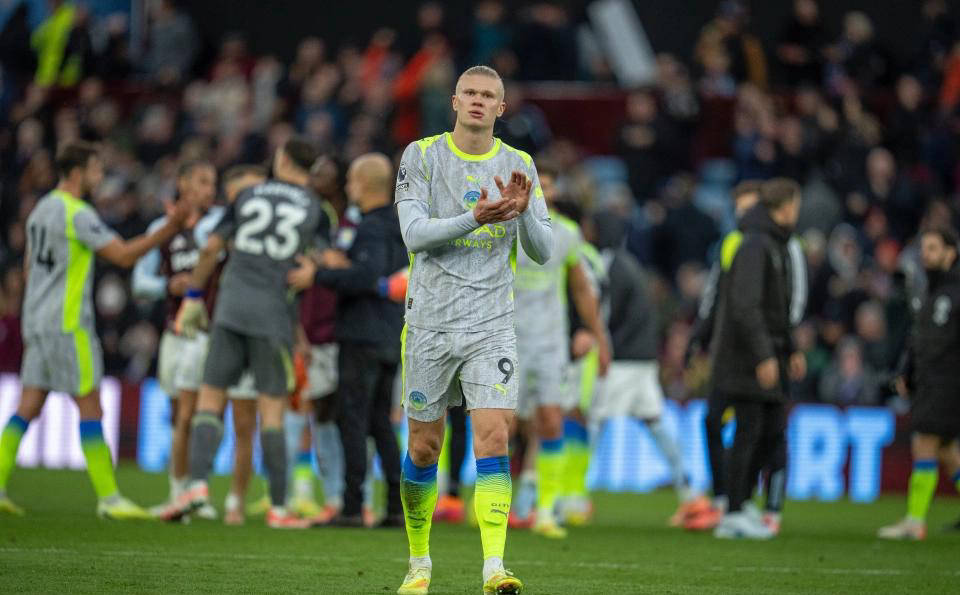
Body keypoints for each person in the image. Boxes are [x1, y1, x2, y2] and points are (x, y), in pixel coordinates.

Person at [393, 65, 552, 595]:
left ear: (501, 108)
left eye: (489, 95)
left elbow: (543, 251)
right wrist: (475, 218)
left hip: (491, 325)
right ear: (455, 101)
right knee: (424, 447)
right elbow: (414, 235)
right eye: (470, 93)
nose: (479, 101)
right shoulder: (421, 156)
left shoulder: (520, 164)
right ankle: (419, 563)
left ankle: (494, 567)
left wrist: (523, 214)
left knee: (494, 434)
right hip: (429, 323)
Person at [0, 141, 189, 518]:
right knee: (91, 406)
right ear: (77, 172)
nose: (100, 176)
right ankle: (109, 499)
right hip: (68, 324)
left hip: (36, 320)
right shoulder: (77, 213)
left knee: (28, 406)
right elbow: (123, 255)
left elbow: (28, 267)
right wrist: (171, 227)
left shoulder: (40, 209)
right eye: (96, 169)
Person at [169, 137, 331, 529]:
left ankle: (195, 487)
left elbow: (210, 247)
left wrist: (194, 296)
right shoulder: (316, 208)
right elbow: (324, 260)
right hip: (273, 316)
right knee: (271, 413)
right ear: (311, 169)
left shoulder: (248, 194)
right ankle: (278, 508)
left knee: (210, 399)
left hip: (230, 308)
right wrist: (312, 272)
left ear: (281, 158)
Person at [289, 152, 408, 528]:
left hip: (362, 334)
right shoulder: (398, 225)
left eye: (351, 180)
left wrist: (319, 276)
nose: (346, 185)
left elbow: (365, 277)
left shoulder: (370, 227)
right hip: (389, 332)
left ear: (363, 184)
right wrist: (344, 266)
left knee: (353, 418)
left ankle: (353, 506)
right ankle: (395, 505)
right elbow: (376, 274)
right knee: (379, 421)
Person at [685, 180, 807, 533]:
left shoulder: (776, 245)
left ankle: (740, 503)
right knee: (745, 428)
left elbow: (781, 306)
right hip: (745, 354)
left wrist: (789, 347)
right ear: (786, 206)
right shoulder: (754, 245)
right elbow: (744, 305)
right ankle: (733, 508)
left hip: (762, 350)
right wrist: (764, 354)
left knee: (763, 430)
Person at [511, 159, 610, 539]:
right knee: (504, 426)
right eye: (539, 185)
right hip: (506, 337)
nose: (544, 192)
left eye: (550, 186)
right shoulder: (504, 226)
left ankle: (545, 510)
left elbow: (581, 288)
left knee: (552, 419)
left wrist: (598, 336)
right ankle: (500, 504)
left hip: (550, 343)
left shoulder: (567, 233)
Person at [588, 210, 707, 524]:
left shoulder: (610, 266)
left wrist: (597, 345)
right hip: (643, 358)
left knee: (593, 420)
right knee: (654, 421)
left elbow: (604, 316)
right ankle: (690, 493)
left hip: (623, 360)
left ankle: (572, 496)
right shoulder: (632, 265)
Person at [131, 159, 220, 520]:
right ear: (183, 183)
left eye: (212, 182)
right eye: (202, 181)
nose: (209, 189)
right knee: (178, 416)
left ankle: (192, 491)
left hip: (205, 333)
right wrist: (168, 285)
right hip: (174, 333)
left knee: (194, 415)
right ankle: (181, 492)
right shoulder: (161, 229)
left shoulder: (217, 225)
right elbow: (140, 282)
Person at [879, 226, 960, 540]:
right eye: (924, 248)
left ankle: (915, 522)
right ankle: (914, 521)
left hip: (946, 382)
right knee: (948, 451)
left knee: (924, 442)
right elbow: (919, 339)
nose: (925, 255)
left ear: (950, 253)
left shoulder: (953, 292)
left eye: (933, 248)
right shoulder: (933, 290)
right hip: (931, 381)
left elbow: (937, 344)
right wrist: (907, 372)